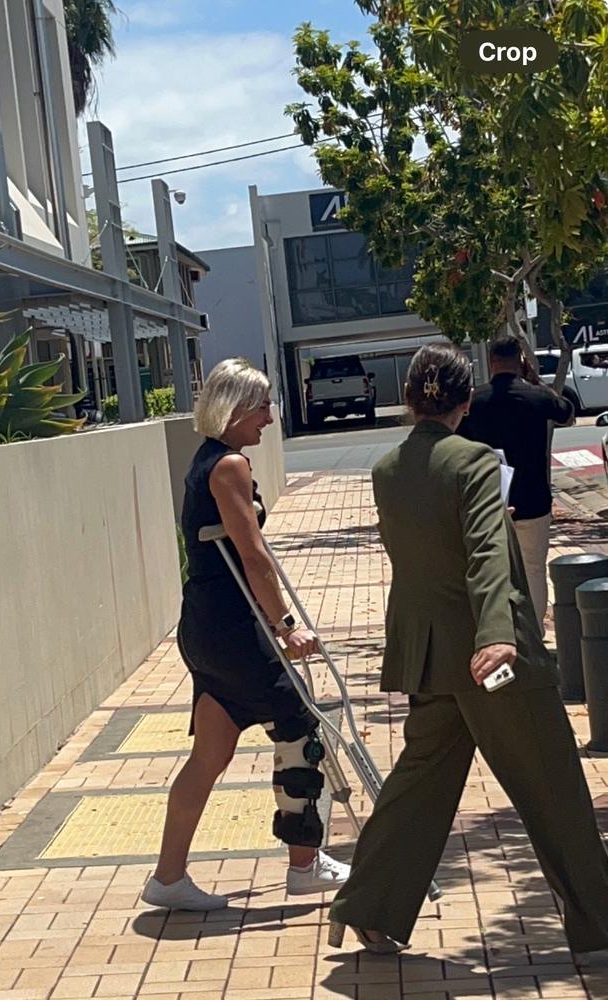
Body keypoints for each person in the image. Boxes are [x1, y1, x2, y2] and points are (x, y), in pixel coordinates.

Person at [328, 344, 608, 963]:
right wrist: (496, 634)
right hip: (493, 660)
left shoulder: (388, 469)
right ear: (464, 400)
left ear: (408, 399)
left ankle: (372, 909)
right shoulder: (476, 460)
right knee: (553, 782)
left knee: (420, 783)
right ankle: (601, 917)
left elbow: (422, 551)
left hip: (429, 655)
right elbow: (483, 554)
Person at [142, 358, 350, 912]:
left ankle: (167, 878)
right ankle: (305, 866)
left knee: (211, 752)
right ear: (234, 410)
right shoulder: (229, 465)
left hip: (203, 624)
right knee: (302, 732)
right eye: (261, 406)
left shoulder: (204, 462)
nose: (269, 418)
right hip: (235, 627)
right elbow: (253, 556)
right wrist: (286, 628)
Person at [459, 335, 574, 633]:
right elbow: (567, 413)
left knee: (494, 570)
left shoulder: (474, 402)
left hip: (489, 500)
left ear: (490, 362)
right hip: (534, 499)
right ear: (520, 361)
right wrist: (537, 382)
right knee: (534, 568)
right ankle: (534, 634)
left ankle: (501, 633)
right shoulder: (537, 396)